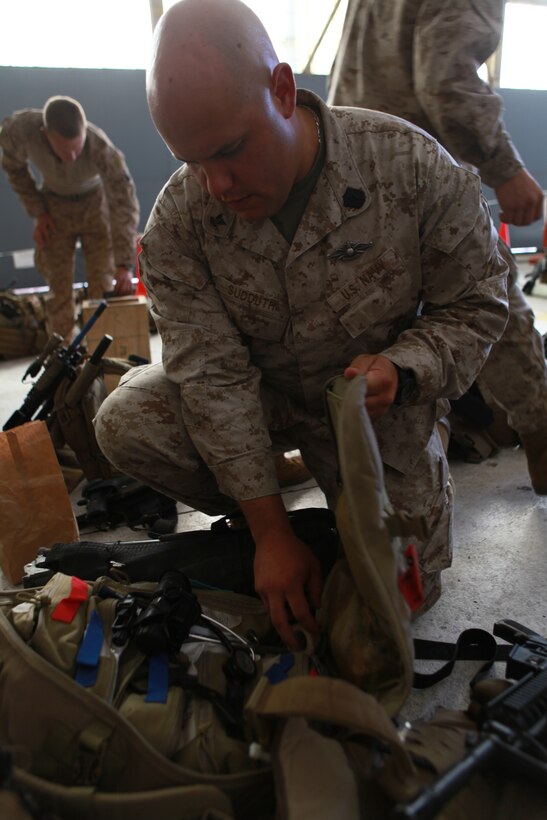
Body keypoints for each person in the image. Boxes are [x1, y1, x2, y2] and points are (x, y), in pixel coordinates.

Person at [94, 0, 508, 648]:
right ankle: (270, 500)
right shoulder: (179, 221)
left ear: (282, 91)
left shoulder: (409, 167)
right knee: (125, 419)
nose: (217, 184)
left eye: (229, 151)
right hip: (260, 397)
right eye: (193, 160)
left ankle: (346, 489)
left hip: (369, 407)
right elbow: (211, 375)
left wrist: (403, 370)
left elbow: (480, 302)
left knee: (405, 596)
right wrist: (270, 534)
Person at [328, 0, 547, 495]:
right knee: (488, 301)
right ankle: (541, 439)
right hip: (416, 167)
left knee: (368, 327)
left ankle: (374, 486)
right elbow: (445, 79)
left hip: (349, 166)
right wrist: (504, 167)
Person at [0, 96, 140, 340]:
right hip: (54, 208)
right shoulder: (22, 130)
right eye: (65, 151)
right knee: (58, 292)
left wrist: (124, 264)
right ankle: (65, 358)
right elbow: (13, 166)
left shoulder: (100, 146)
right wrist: (38, 212)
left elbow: (123, 203)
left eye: (78, 148)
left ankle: (102, 355)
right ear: (45, 134)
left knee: (102, 287)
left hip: (96, 206)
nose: (73, 157)